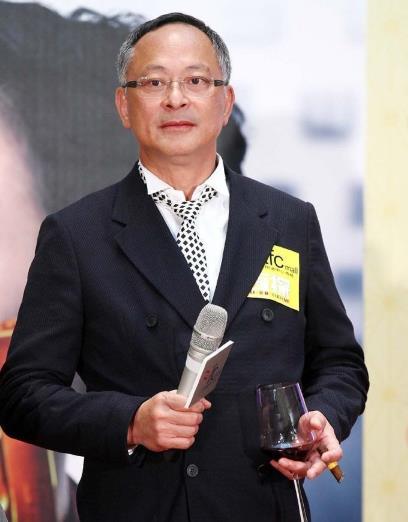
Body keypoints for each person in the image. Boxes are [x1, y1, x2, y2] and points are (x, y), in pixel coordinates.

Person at [0, 12, 369, 522]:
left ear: (226, 102)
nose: (176, 98)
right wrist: (130, 421)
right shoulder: (77, 234)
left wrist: (324, 415)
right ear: (124, 105)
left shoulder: (288, 220)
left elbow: (341, 363)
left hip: (263, 505)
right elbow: (22, 394)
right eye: (154, 83)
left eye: (196, 80)